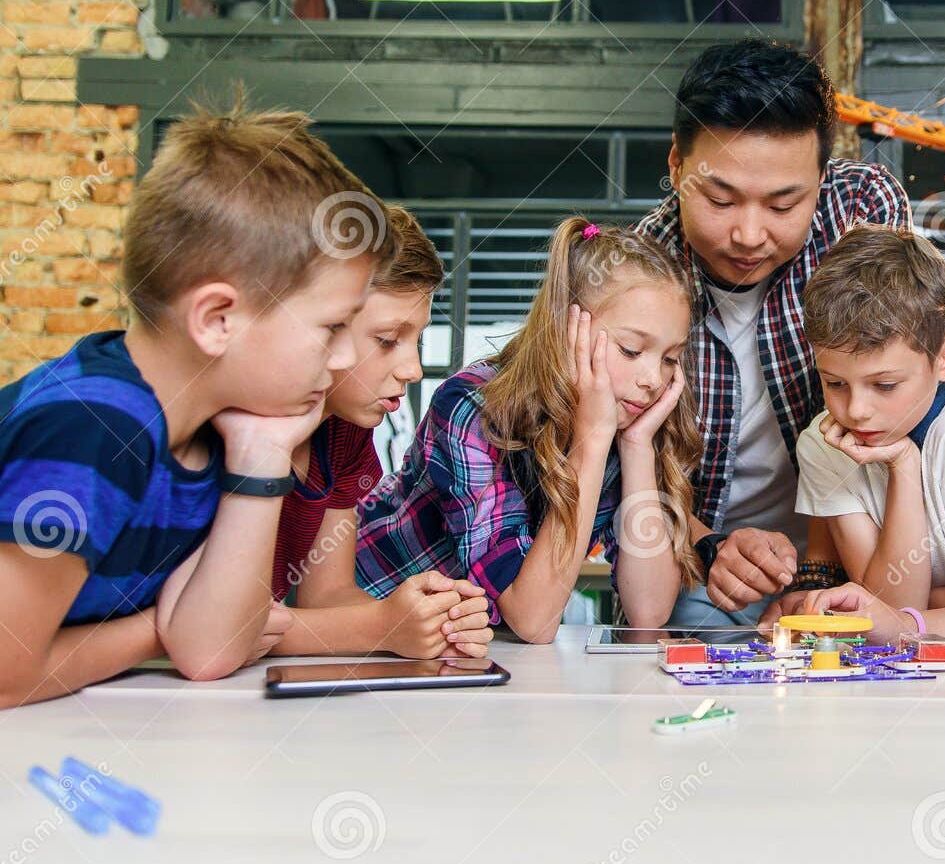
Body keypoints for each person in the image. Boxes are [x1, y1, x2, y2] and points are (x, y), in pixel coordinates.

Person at [0, 102, 392, 706]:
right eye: (333, 326)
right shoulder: (90, 427)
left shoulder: (214, 426)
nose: (344, 360)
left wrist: (261, 458)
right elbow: (7, 675)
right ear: (216, 319)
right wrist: (154, 629)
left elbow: (211, 648)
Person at [633, 38, 910, 627]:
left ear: (821, 176)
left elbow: (893, 405)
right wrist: (710, 547)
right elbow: (625, 471)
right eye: (720, 199)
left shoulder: (859, 211)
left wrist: (814, 573)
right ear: (678, 167)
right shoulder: (636, 274)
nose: (750, 235)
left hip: (853, 555)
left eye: (784, 205)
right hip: (697, 564)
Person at [357, 219, 700, 641]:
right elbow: (531, 618)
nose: (652, 378)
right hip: (369, 626)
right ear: (565, 329)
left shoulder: (622, 423)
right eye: (631, 349)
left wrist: (636, 448)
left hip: (470, 647)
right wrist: (590, 445)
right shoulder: (471, 407)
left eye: (670, 358)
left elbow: (648, 611)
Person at [271, 204, 494, 659]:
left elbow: (326, 596)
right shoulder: (241, 430)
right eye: (388, 340)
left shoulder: (345, 433)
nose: (412, 369)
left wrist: (425, 622)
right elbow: (226, 630)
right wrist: (379, 628)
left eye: (417, 339)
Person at [791, 226, 945, 610]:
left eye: (885, 385)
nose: (856, 410)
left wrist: (900, 603)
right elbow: (887, 603)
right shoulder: (823, 444)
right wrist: (904, 463)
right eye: (835, 383)